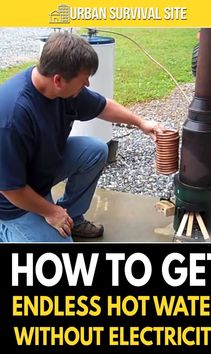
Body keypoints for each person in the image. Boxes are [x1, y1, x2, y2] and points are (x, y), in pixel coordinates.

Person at [0, 31, 164, 243]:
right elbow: (11, 189)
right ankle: (7, 232)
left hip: (36, 174)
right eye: (84, 78)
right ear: (58, 80)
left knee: (95, 150)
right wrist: (51, 211)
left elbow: (102, 105)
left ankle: (72, 217)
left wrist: (141, 123)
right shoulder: (12, 116)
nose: (87, 84)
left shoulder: (61, 89)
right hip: (10, 202)